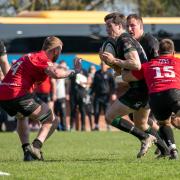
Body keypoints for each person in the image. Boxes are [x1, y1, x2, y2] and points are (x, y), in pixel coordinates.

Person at [0, 36, 82, 161]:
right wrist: (75, 71)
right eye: (60, 51)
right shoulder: (42, 58)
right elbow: (56, 74)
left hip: (4, 94)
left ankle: (27, 152)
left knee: (21, 117)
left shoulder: (30, 56)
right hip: (18, 94)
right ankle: (36, 148)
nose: (60, 54)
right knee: (52, 120)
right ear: (56, 49)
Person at [99, 12, 168, 158]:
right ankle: (166, 150)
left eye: (109, 26)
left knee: (110, 117)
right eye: (106, 26)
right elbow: (126, 68)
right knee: (141, 124)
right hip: (145, 87)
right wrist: (111, 63)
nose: (107, 29)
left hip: (140, 88)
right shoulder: (124, 40)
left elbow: (135, 64)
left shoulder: (124, 40)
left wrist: (114, 60)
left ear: (119, 26)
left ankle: (144, 138)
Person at [123, 38, 180, 159]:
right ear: (174, 52)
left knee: (164, 123)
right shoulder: (177, 61)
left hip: (156, 97)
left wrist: (120, 67)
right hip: (173, 93)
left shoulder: (148, 65)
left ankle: (173, 149)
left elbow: (127, 77)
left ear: (158, 52)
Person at [126, 13, 160, 131]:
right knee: (135, 116)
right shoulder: (129, 42)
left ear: (141, 26)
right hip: (141, 86)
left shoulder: (150, 42)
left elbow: (156, 65)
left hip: (152, 87)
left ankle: (164, 142)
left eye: (132, 26)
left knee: (173, 121)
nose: (129, 29)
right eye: (127, 26)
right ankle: (162, 141)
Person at [91, 61, 116, 131]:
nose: (102, 66)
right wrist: (91, 93)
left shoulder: (109, 73)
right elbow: (94, 85)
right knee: (96, 111)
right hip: (97, 96)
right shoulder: (97, 73)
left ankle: (108, 126)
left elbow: (113, 85)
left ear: (106, 66)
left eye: (104, 64)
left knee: (107, 112)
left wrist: (113, 93)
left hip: (106, 96)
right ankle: (96, 126)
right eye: (101, 64)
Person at [54, 60, 68, 131]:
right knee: (55, 113)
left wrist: (67, 94)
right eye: (61, 66)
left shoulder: (65, 74)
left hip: (62, 96)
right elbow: (55, 65)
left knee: (63, 113)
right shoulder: (54, 72)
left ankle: (64, 128)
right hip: (55, 96)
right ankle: (56, 128)